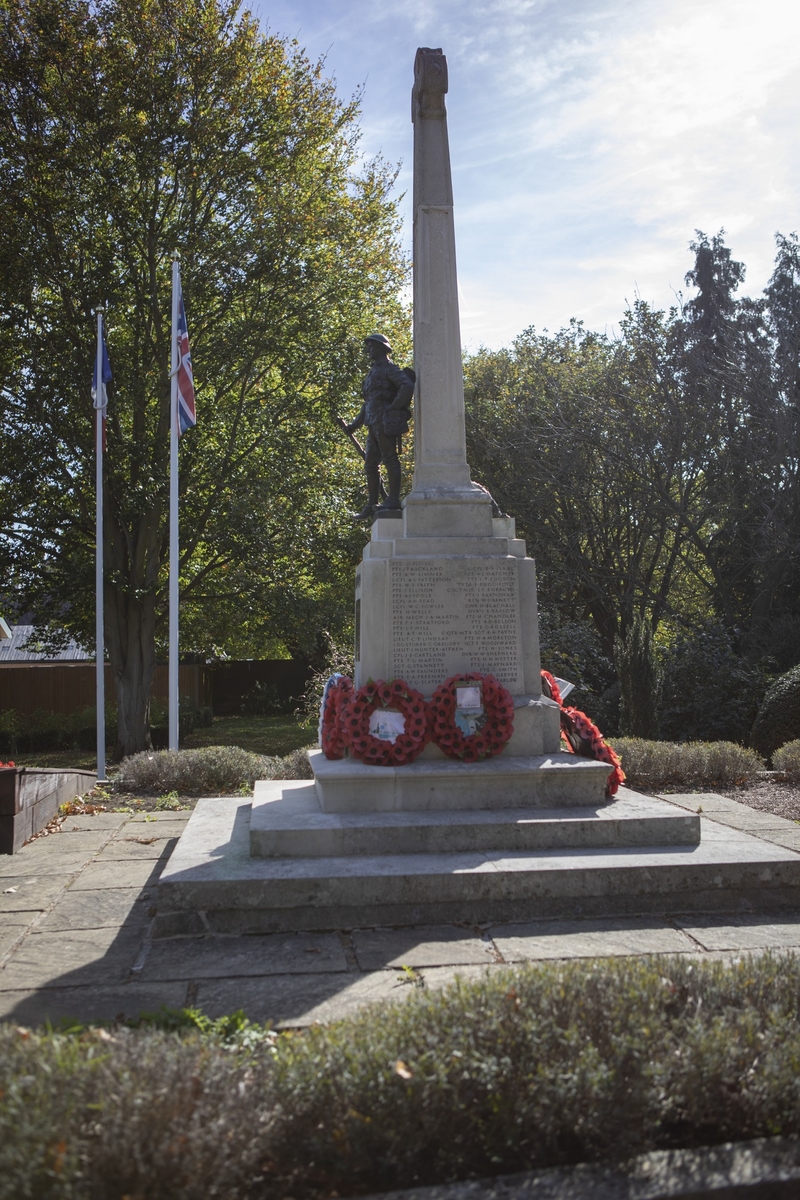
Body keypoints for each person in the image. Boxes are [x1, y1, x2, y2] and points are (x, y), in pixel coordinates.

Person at [345, 333, 414, 520]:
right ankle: (372, 503)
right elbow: (368, 402)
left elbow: (406, 385)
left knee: (389, 458)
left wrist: (392, 408)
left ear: (381, 348)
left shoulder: (389, 369)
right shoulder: (372, 372)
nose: (368, 350)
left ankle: (392, 499)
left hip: (384, 421)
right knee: (370, 464)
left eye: (371, 346)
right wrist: (354, 425)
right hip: (372, 421)